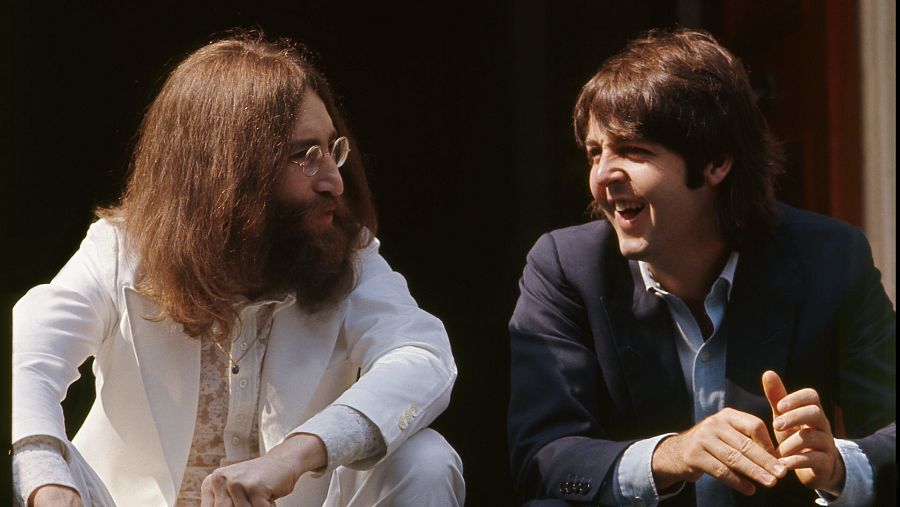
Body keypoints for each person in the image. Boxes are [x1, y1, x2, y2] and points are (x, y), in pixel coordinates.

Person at [12, 33, 464, 507]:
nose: (334, 180)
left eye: (334, 150)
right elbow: (32, 355)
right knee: (50, 456)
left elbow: (421, 355)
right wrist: (49, 485)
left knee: (424, 459)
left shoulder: (344, 254)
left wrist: (296, 454)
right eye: (305, 157)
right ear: (226, 168)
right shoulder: (123, 249)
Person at [507, 28, 895, 506]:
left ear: (716, 161)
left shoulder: (831, 257)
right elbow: (542, 457)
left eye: (632, 150)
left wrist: (839, 465)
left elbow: (890, 428)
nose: (603, 175)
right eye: (595, 152)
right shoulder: (565, 266)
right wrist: (670, 454)